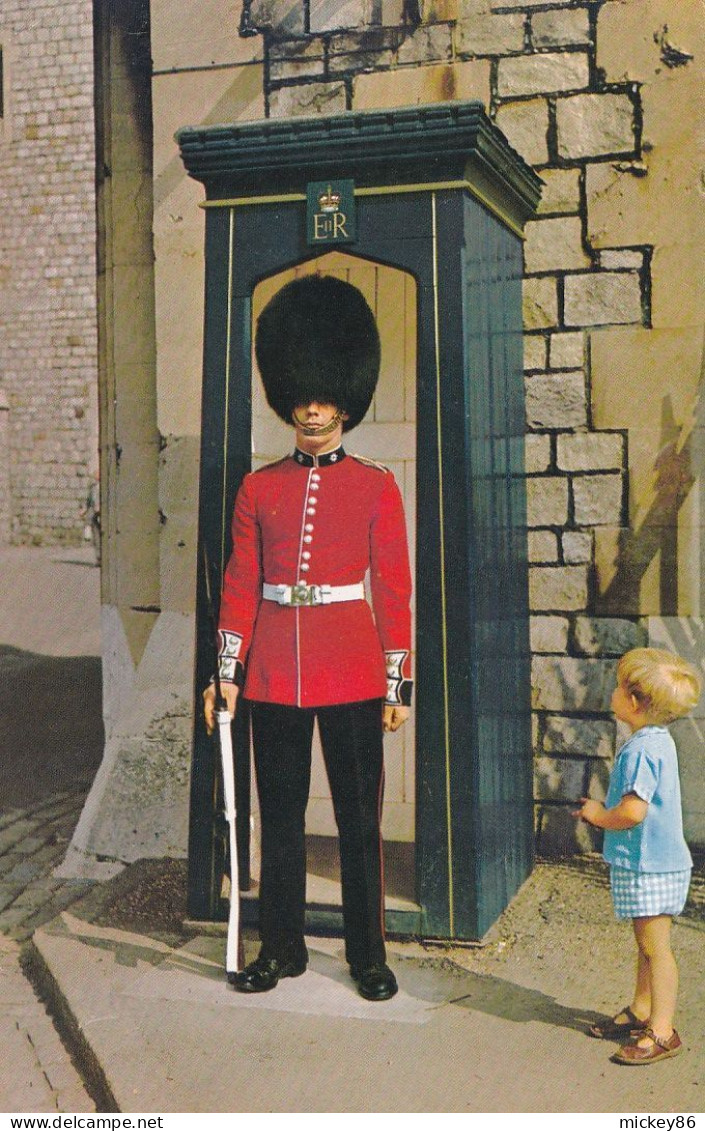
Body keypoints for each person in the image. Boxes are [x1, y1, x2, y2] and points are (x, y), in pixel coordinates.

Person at [203, 274, 412, 1001]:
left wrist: (397, 682)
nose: (312, 404)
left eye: (324, 393)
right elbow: (238, 585)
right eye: (302, 391)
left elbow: (392, 589)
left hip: (352, 671)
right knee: (279, 820)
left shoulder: (376, 486)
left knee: (358, 823)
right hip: (271, 676)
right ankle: (281, 947)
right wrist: (225, 671)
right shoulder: (259, 489)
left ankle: (367, 953)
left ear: (345, 398)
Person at [573, 647, 701, 1065]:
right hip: (651, 863)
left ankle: (662, 1031)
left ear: (634, 701)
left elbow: (632, 812)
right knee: (647, 944)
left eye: (617, 686)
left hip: (652, 866)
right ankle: (643, 1009)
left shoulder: (642, 750)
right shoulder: (652, 740)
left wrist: (596, 815)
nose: (611, 692)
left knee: (655, 948)